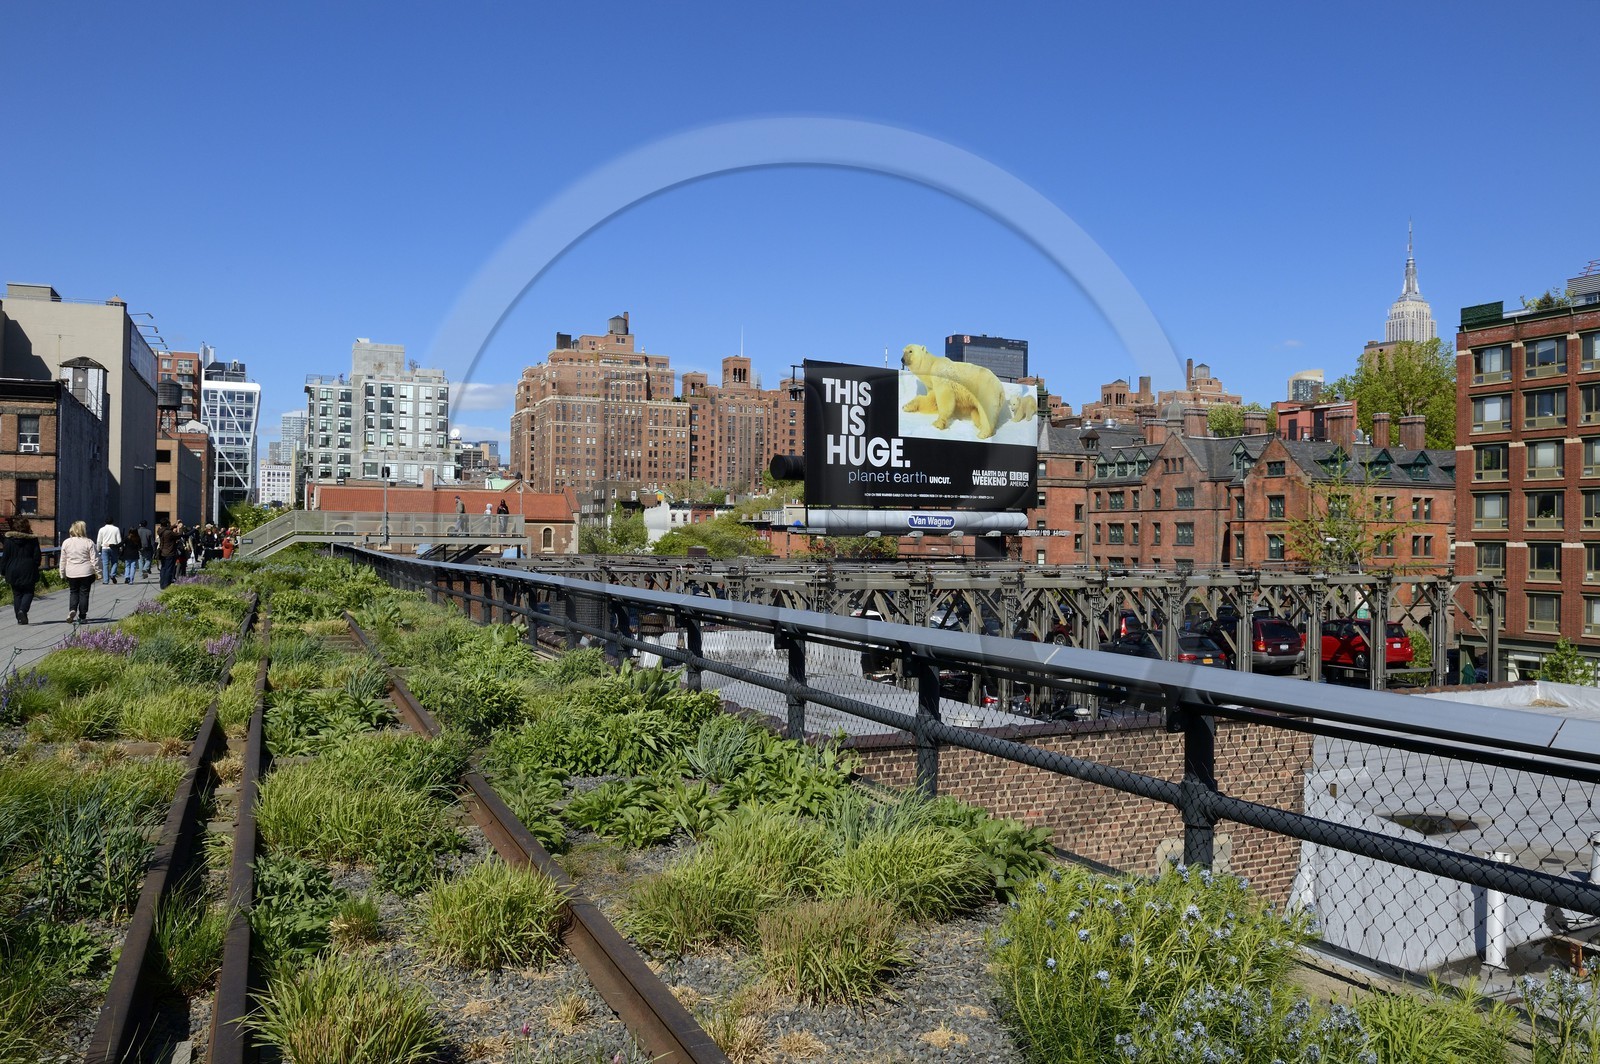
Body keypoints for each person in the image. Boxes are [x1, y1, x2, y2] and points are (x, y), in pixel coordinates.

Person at [2, 518, 43, 624]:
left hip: (12, 569)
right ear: (27, 527)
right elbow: (37, 556)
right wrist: (35, 565)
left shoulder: (8, 540)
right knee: (29, 592)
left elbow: (5, 557)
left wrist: (3, 571)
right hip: (28, 568)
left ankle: (20, 619)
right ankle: (22, 610)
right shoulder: (33, 540)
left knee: (17, 594)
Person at [60, 520, 100, 624]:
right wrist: (98, 572)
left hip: (71, 572)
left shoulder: (66, 542)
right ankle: (82, 616)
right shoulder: (89, 542)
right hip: (86, 572)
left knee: (73, 592)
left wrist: (62, 573)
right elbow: (95, 559)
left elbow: (63, 560)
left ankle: (72, 609)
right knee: (84, 593)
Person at [96, 518, 122, 584]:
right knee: (115, 562)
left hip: (104, 548)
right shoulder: (116, 529)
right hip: (114, 547)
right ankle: (112, 574)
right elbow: (119, 540)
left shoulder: (101, 529)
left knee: (105, 564)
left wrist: (98, 549)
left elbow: (99, 541)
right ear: (113, 521)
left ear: (105, 522)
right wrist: (120, 548)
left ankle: (105, 580)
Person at [157, 520, 180, 588]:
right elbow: (179, 535)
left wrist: (174, 525)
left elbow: (167, 530)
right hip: (169, 553)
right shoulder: (169, 533)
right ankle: (166, 584)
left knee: (163, 568)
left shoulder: (160, 531)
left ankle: (162, 584)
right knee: (169, 569)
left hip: (162, 552)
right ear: (167, 524)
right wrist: (179, 528)